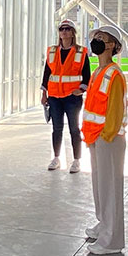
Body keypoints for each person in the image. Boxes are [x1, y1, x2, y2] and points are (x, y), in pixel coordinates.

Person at [81, 25, 128, 256]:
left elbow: (115, 111)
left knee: (110, 189)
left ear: (112, 45)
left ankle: (112, 241)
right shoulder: (98, 71)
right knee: (100, 186)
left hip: (108, 138)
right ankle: (103, 225)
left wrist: (105, 136)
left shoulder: (113, 73)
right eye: (95, 38)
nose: (96, 41)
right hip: (96, 137)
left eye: (101, 38)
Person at [41, 18, 91, 173]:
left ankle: (76, 160)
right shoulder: (52, 51)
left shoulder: (81, 52)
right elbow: (47, 74)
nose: (64, 31)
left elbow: (87, 75)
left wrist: (81, 90)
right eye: (61, 29)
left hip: (72, 97)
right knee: (57, 128)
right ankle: (56, 158)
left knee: (74, 128)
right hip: (55, 96)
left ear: (72, 32)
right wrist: (44, 94)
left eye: (67, 29)